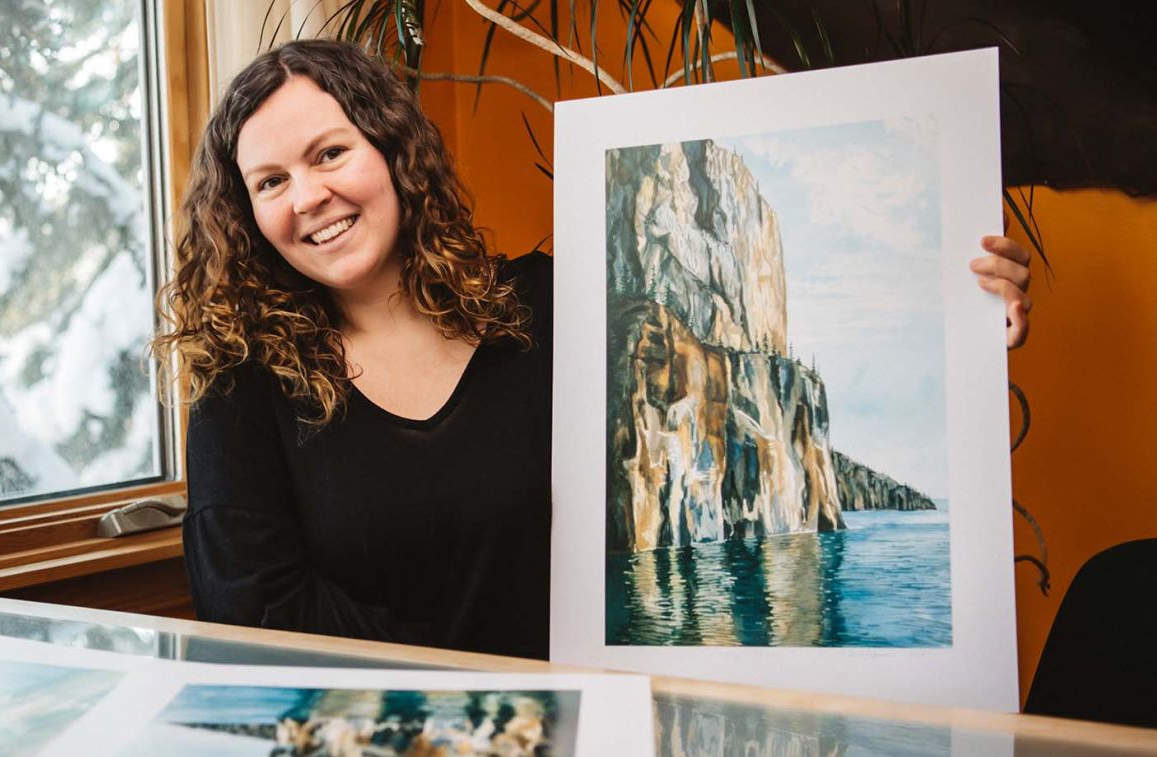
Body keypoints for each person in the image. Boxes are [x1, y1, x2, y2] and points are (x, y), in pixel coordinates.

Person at [154, 39, 1032, 662]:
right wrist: (493, 706)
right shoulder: (242, 388)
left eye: (329, 152)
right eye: (270, 181)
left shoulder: (551, 305)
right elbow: (255, 611)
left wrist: (963, 304)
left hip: (600, 754)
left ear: (391, 151)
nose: (308, 196)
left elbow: (726, 351)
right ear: (245, 215)